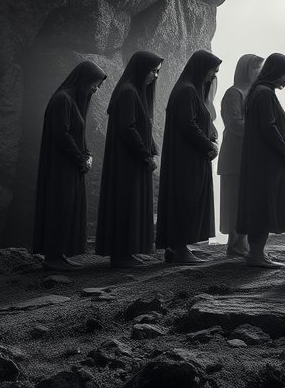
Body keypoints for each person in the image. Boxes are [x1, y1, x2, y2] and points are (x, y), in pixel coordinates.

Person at [33, 61, 107, 271]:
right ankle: (53, 257)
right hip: (61, 167)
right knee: (60, 207)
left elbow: (77, 134)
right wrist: (80, 158)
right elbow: (62, 135)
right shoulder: (62, 100)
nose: (96, 88)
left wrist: (87, 154)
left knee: (68, 208)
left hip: (70, 165)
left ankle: (59, 254)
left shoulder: (72, 100)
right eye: (95, 83)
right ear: (84, 79)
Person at [96, 51, 163, 268]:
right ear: (142, 69)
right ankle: (121, 255)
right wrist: (145, 155)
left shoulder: (133, 92)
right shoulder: (128, 93)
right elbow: (128, 128)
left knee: (131, 204)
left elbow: (140, 124)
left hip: (132, 160)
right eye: (153, 71)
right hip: (127, 162)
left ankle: (128, 251)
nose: (155, 76)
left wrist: (151, 148)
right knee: (125, 204)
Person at [156, 50, 221, 264]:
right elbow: (188, 124)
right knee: (186, 201)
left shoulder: (190, 90)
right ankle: (179, 248)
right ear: (202, 68)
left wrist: (210, 133)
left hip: (190, 157)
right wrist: (208, 146)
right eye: (212, 70)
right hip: (186, 159)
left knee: (188, 201)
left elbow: (199, 119)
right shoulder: (186, 91)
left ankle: (177, 248)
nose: (213, 75)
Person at [237, 52, 285, 268]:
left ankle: (257, 253)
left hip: (261, 160)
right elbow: (269, 128)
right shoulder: (264, 94)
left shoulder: (260, 92)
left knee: (261, 204)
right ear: (276, 72)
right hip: (266, 161)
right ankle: (256, 255)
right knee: (264, 205)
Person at [219, 54, 263, 257]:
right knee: (235, 200)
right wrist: (262, 131)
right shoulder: (234, 93)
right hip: (235, 156)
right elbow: (234, 123)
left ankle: (241, 245)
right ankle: (235, 245)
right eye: (255, 69)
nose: (260, 72)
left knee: (246, 200)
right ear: (245, 70)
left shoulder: (254, 92)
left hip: (249, 155)